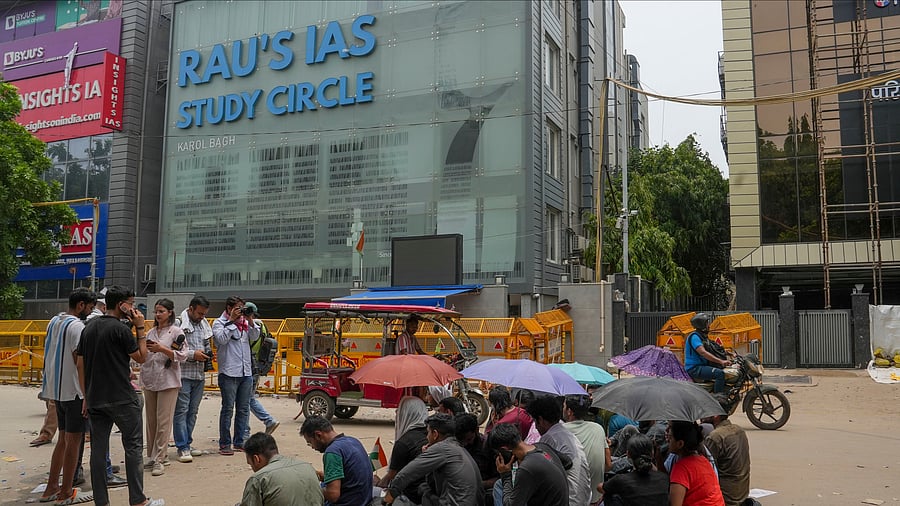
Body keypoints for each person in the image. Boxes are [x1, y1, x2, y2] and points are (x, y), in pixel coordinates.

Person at [76, 285, 164, 506]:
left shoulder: (89, 326)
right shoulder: (122, 329)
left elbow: (80, 362)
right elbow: (142, 357)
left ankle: (102, 501)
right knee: (133, 447)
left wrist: (86, 394)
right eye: (131, 303)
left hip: (96, 397)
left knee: (98, 450)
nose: (133, 308)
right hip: (122, 397)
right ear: (121, 304)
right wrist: (141, 328)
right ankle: (138, 500)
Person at [37, 288, 96, 505]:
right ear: (81, 305)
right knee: (73, 442)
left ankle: (52, 487)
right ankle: (65, 492)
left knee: (62, 440)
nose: (89, 313)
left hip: (57, 392)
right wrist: (86, 395)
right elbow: (79, 362)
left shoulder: (54, 321)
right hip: (74, 393)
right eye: (89, 308)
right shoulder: (77, 327)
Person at [384, 413, 485, 506]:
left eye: (428, 432)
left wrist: (390, 496)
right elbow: (433, 484)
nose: (427, 437)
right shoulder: (458, 447)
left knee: (419, 493)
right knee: (424, 488)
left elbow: (406, 474)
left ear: (435, 434)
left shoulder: (441, 448)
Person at [140, 298, 191, 476]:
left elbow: (183, 355)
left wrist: (162, 349)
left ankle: (160, 458)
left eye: (161, 311)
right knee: (151, 421)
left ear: (170, 312)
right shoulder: (151, 332)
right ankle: (152, 455)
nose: (158, 314)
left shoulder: (177, 332)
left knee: (163, 421)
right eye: (156, 311)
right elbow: (143, 354)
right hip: (150, 378)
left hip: (168, 381)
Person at [213, 295, 260, 455]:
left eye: (242, 308)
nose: (241, 311)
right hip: (228, 372)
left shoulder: (245, 323)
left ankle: (239, 441)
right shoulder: (219, 323)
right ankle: (225, 444)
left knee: (243, 409)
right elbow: (221, 340)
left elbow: (255, 337)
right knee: (227, 409)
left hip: (245, 371)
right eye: (238, 308)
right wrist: (232, 322)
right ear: (229, 308)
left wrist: (250, 320)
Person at [526, 394, 592, 506]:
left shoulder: (549, 439)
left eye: (535, 422)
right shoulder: (566, 433)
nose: (536, 427)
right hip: (584, 498)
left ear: (540, 420)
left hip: (570, 500)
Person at [486, 422, 568, 506]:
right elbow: (568, 462)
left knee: (500, 487)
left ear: (504, 449)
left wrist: (505, 475)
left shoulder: (527, 468)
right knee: (499, 484)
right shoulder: (542, 446)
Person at [300, 415, 372, 506]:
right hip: (363, 500)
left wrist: (311, 489)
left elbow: (333, 495)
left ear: (318, 435)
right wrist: (325, 476)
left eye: (310, 443)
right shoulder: (353, 441)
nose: (313, 447)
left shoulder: (332, 452)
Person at [173, 295, 212, 463]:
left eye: (204, 314)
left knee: (193, 412)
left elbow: (206, 344)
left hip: (199, 374)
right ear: (190, 309)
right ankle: (182, 447)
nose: (202, 317)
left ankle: (188, 442)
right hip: (183, 374)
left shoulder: (204, 325)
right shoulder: (178, 323)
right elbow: (171, 349)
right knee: (181, 411)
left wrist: (207, 354)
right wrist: (192, 355)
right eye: (199, 313)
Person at [240, 432, 324, 506]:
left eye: (251, 464)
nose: (252, 468)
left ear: (256, 459)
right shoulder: (307, 467)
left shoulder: (259, 478)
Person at [376, 396, 428, 504]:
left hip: (410, 496)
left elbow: (390, 478)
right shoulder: (431, 435)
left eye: (399, 411)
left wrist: (377, 483)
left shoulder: (403, 443)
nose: (396, 413)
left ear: (404, 414)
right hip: (429, 493)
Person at [563, 394, 611, 505]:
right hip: (596, 499)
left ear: (569, 411)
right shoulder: (598, 429)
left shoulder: (560, 431)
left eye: (564, 406)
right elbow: (608, 466)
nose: (563, 409)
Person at [703, 397, 751, 506]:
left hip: (727, 496)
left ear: (716, 415)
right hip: (742, 492)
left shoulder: (715, 436)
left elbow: (706, 469)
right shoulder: (739, 430)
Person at [599, 434, 669, 506]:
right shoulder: (664, 478)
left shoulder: (621, 480)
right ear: (652, 454)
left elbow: (600, 487)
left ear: (628, 454)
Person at [667, 421, 725, 506]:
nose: (668, 440)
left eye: (670, 438)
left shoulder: (680, 468)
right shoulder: (703, 460)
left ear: (680, 444)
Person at [245, 302, 280, 437]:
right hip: (259, 365)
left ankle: (266, 421)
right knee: (249, 398)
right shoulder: (263, 326)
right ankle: (268, 421)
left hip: (249, 366)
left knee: (246, 401)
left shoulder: (252, 326)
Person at [455, 413, 499, 498]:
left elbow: (499, 478)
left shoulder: (489, 447)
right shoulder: (455, 445)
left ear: (477, 430)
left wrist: (480, 484)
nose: (464, 444)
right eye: (461, 441)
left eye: (468, 439)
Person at [684, 313, 731, 393]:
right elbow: (703, 352)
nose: (709, 325)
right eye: (707, 323)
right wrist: (721, 361)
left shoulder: (703, 336)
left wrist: (728, 353)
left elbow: (713, 348)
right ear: (701, 325)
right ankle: (718, 399)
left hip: (703, 365)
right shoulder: (695, 337)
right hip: (694, 368)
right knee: (719, 374)